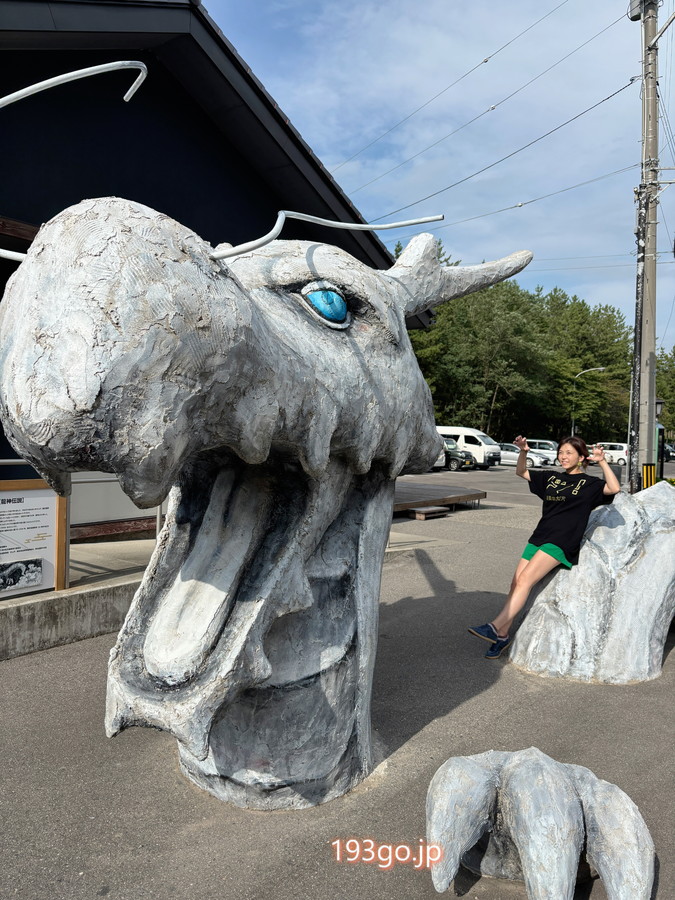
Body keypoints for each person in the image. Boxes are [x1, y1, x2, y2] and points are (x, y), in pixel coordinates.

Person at [468, 435, 621, 659]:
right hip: (540, 536)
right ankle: (502, 636)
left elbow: (614, 488)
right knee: (515, 583)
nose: (563, 456)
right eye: (561, 452)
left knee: (525, 580)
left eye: (569, 453)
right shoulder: (551, 477)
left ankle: (494, 626)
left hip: (563, 540)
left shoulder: (590, 484)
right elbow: (521, 472)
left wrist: (602, 461)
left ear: (581, 457)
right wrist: (523, 451)